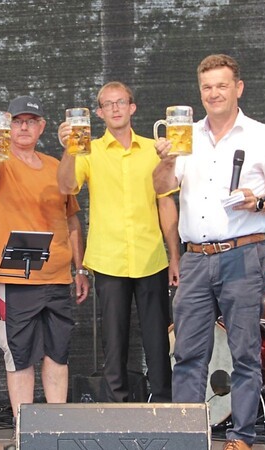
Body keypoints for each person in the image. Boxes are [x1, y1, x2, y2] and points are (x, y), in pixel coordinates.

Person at [153, 54, 265, 450]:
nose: (214, 93)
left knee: (244, 353)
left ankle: (241, 438)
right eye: (207, 87)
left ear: (238, 88)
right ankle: (185, 437)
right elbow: (161, 186)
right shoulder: (186, 136)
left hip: (243, 254)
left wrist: (260, 202)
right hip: (196, 256)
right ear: (199, 93)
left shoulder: (261, 135)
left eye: (221, 85)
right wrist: (165, 162)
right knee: (186, 353)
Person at [56, 81, 180, 403]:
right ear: (99, 113)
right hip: (108, 259)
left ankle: (164, 406)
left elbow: (166, 203)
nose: (114, 108)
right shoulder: (88, 150)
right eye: (107, 104)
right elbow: (67, 186)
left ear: (132, 107)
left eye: (120, 102)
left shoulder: (155, 148)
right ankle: (118, 410)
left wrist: (175, 258)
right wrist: (69, 148)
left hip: (151, 256)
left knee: (158, 342)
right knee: (114, 344)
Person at [0, 95, 89, 426]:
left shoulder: (55, 164)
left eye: (31, 121)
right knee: (19, 356)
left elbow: (71, 221)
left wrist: (79, 268)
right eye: (18, 121)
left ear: (42, 127)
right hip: (14, 278)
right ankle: (25, 431)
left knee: (58, 353)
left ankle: (55, 428)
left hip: (57, 276)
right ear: (8, 127)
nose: (24, 127)